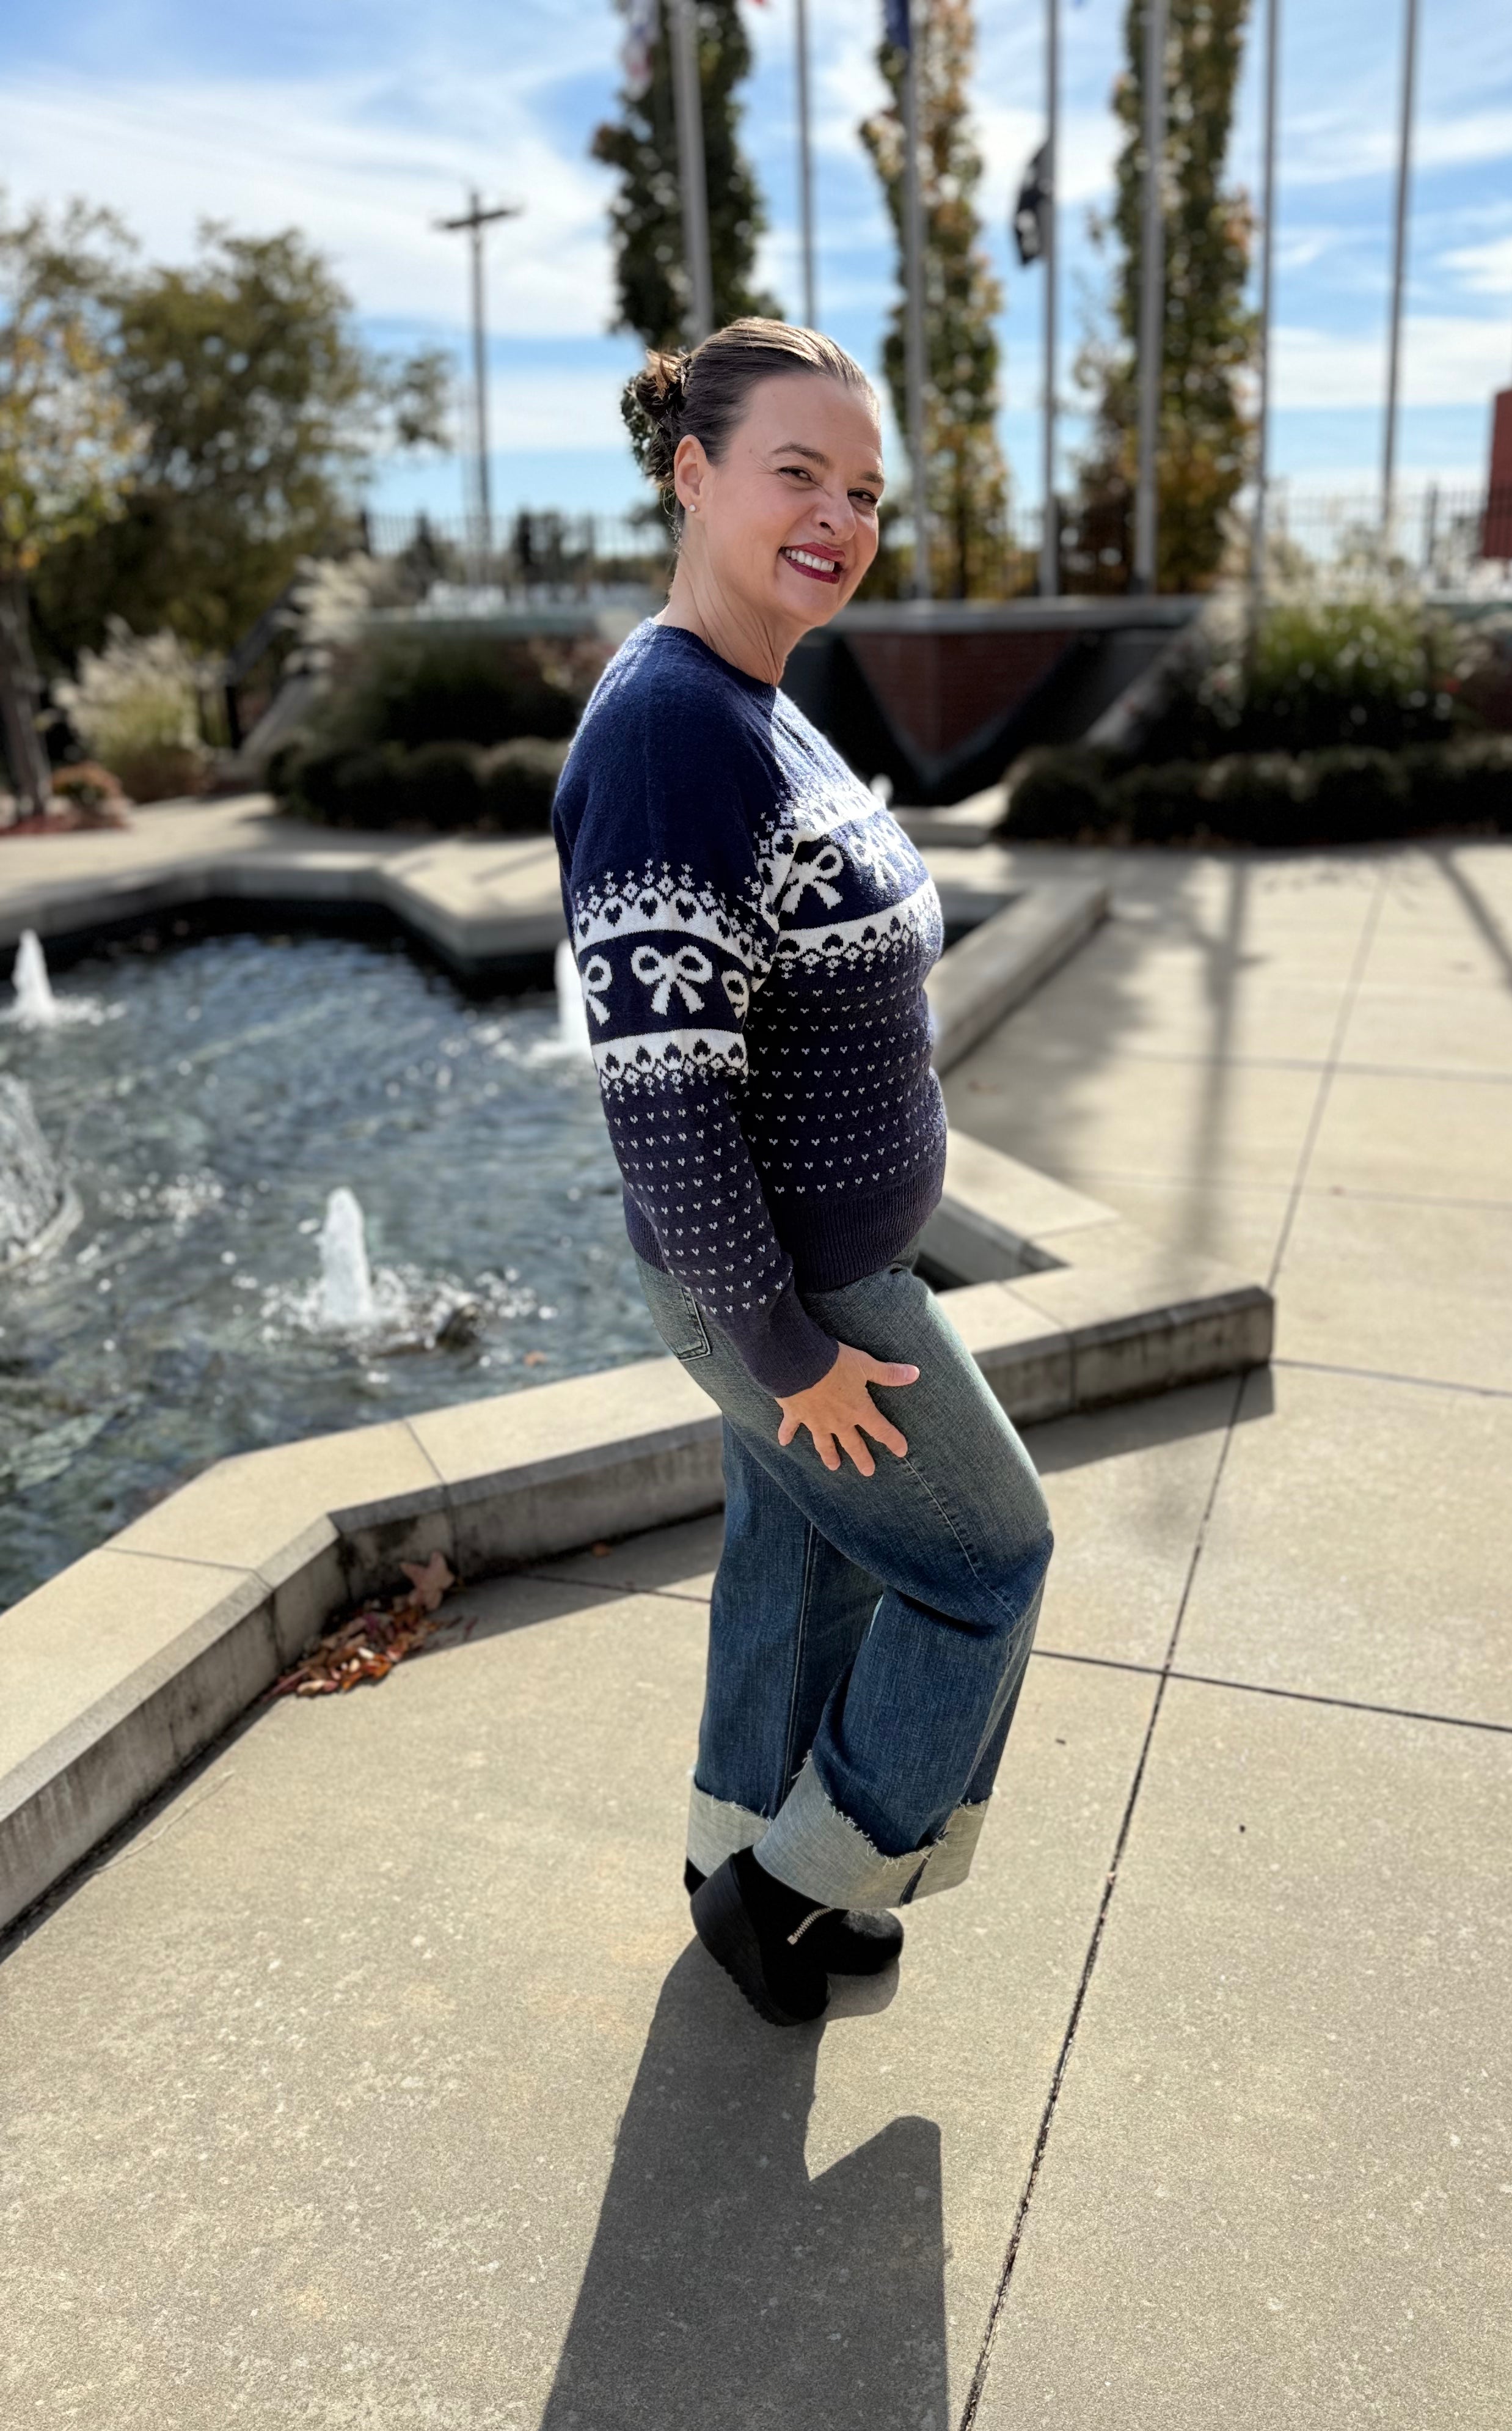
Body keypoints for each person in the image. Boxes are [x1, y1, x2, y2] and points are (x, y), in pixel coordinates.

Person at [551, 320, 1053, 2028]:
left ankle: (735, 1863)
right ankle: (796, 1889)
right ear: (692, 476)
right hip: (792, 1293)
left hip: (817, 1275)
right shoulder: (671, 729)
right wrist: (782, 1343)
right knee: (986, 1566)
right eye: (795, 474)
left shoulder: (764, 704)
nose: (837, 515)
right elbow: (662, 1095)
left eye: (864, 490)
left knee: (800, 1563)